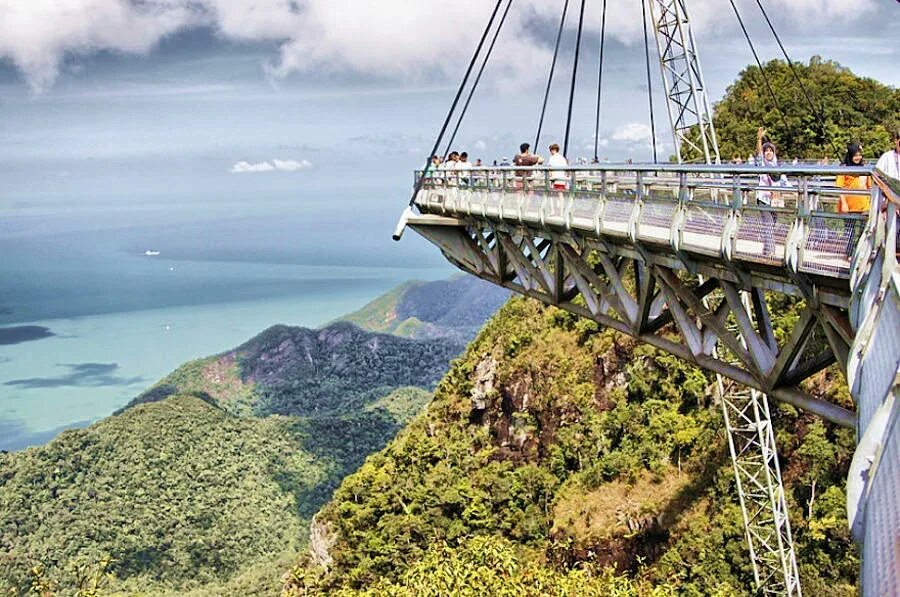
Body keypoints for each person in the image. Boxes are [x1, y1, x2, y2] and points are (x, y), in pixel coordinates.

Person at [755, 127, 788, 256]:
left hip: (775, 200)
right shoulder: (762, 164)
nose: (768, 153)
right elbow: (758, 154)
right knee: (768, 224)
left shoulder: (777, 167)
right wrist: (759, 139)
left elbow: (784, 182)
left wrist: (797, 193)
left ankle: (766, 249)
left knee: (772, 224)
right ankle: (770, 252)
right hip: (763, 198)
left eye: (770, 151)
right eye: (766, 151)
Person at [836, 142, 871, 257]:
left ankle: (860, 253)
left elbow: (869, 186)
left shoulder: (865, 169)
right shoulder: (844, 168)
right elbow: (839, 186)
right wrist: (844, 203)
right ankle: (849, 254)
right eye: (855, 155)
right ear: (850, 155)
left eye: (859, 155)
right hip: (849, 205)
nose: (858, 157)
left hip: (863, 205)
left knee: (863, 231)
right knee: (850, 231)